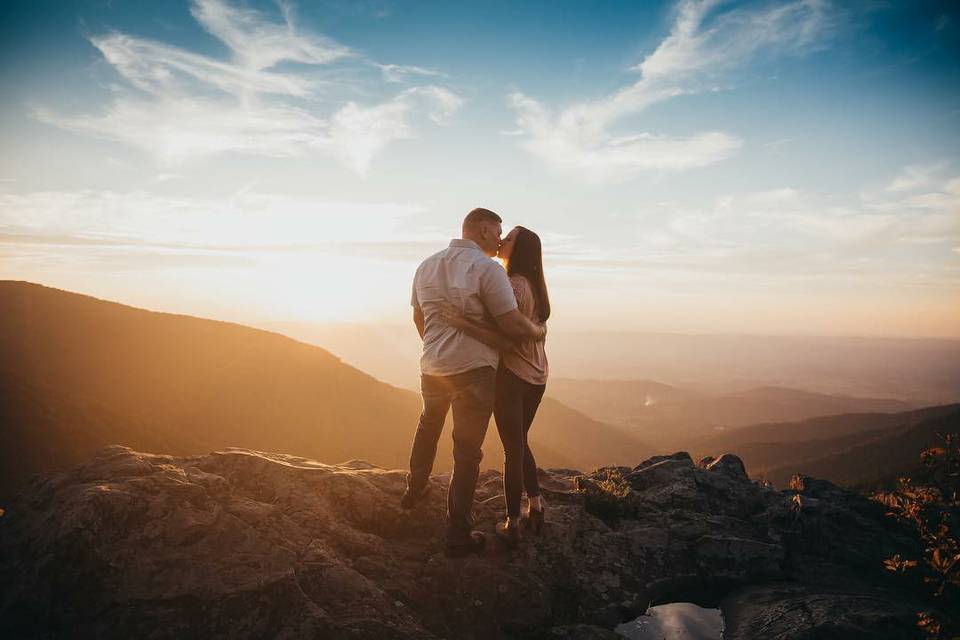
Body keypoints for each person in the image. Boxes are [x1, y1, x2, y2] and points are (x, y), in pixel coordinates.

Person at [403, 208, 547, 558]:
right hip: (476, 369)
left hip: (433, 364)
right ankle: (457, 534)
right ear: (483, 229)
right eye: (497, 231)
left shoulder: (426, 265)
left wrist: (435, 344)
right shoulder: (488, 270)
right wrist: (537, 330)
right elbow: (512, 326)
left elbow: (417, 315)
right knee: (466, 451)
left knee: (428, 423)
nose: (499, 239)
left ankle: (414, 489)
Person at [441, 226, 550, 549]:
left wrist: (462, 323)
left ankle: (512, 522)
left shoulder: (513, 285)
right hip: (538, 375)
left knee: (512, 448)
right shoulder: (535, 285)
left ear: (521, 249)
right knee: (520, 441)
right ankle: (537, 505)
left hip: (513, 376)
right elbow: (533, 329)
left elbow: (505, 334)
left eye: (510, 238)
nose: (502, 241)